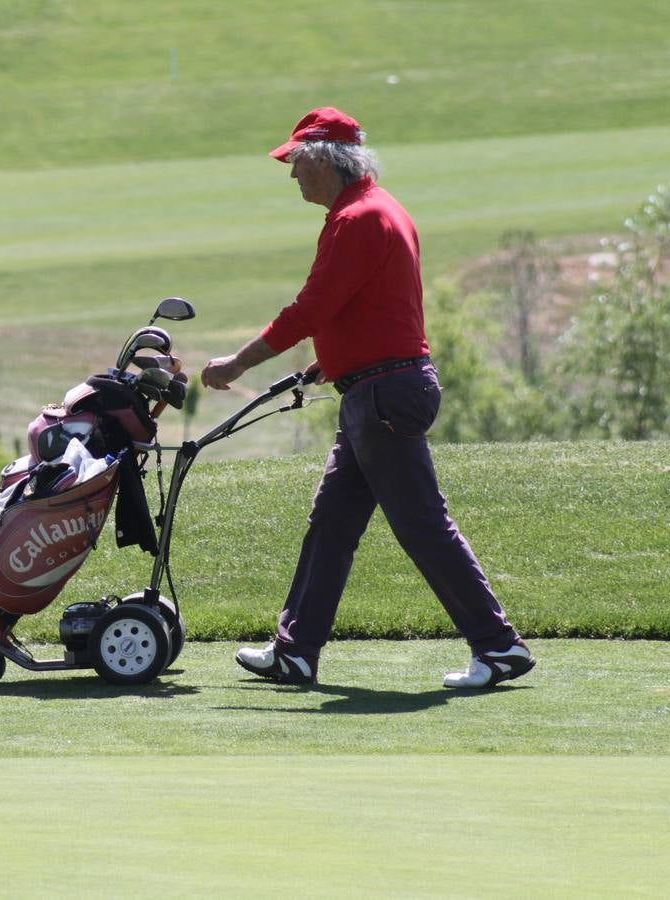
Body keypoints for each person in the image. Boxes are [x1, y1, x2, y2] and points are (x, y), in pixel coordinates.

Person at [201, 107, 534, 689]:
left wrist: (238, 362)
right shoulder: (375, 210)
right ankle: (295, 650)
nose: (292, 175)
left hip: (384, 397)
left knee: (422, 525)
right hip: (375, 390)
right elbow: (375, 309)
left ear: (327, 161)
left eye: (298, 162)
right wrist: (335, 361)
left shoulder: (358, 218)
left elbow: (310, 309)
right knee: (331, 523)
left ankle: (498, 645)